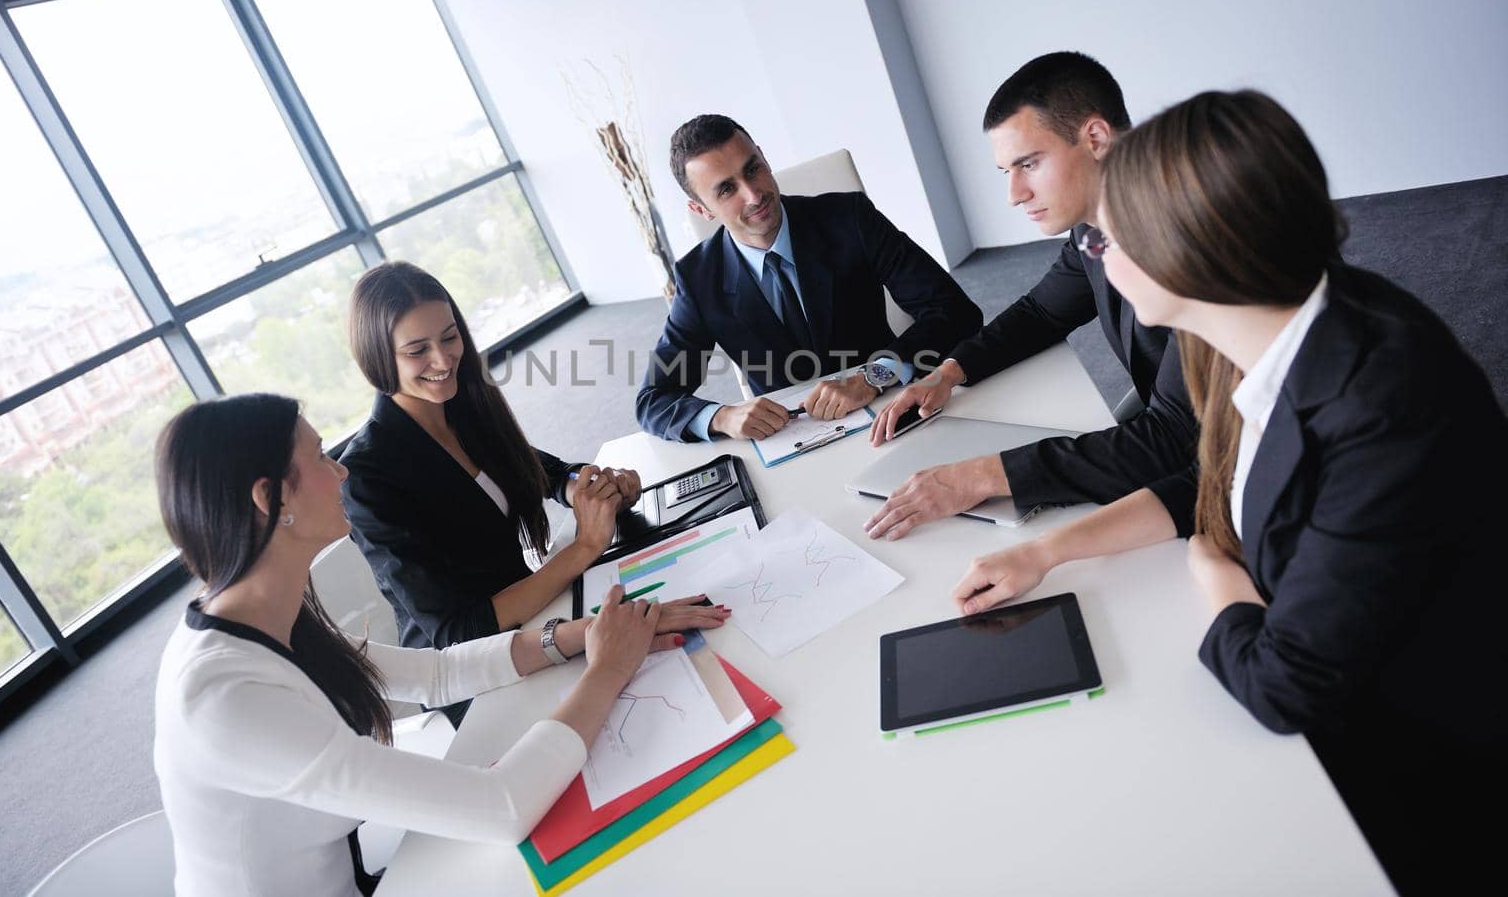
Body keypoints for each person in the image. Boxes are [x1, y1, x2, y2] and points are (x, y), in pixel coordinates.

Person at [944, 90, 1504, 895]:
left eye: (1115, 237)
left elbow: (1285, 687)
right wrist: (1046, 549)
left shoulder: (1384, 410)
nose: (1096, 255)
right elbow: (1213, 483)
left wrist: (1216, 575)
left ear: (1189, 250)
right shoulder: (1243, 333)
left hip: (1424, 752)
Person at [152, 394, 730, 897]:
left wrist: (591, 633)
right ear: (269, 498)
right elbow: (501, 807)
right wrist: (607, 670)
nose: (342, 473)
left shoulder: (264, 613)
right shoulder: (226, 697)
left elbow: (434, 675)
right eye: (323, 456)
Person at [339, 263, 712, 721]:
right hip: (476, 676)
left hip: (538, 614)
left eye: (450, 337)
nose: (443, 360)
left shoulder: (460, 402)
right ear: (379, 359)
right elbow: (459, 630)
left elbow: (541, 470)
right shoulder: (367, 475)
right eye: (418, 350)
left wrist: (589, 488)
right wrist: (585, 546)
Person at [865, 52, 1197, 541]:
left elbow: (1170, 442)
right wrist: (949, 373)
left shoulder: (1194, 239)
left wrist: (979, 477)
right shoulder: (1095, 227)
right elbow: (1043, 309)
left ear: (1096, 139)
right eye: (1007, 171)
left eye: (1029, 164)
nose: (1015, 194)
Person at [636, 113, 982, 442]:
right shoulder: (697, 278)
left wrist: (873, 376)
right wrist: (722, 417)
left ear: (765, 159)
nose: (754, 195)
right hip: (790, 438)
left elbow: (954, 311)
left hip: (889, 409)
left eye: (753, 169)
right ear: (701, 209)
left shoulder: (851, 218)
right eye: (727, 189)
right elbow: (654, 398)